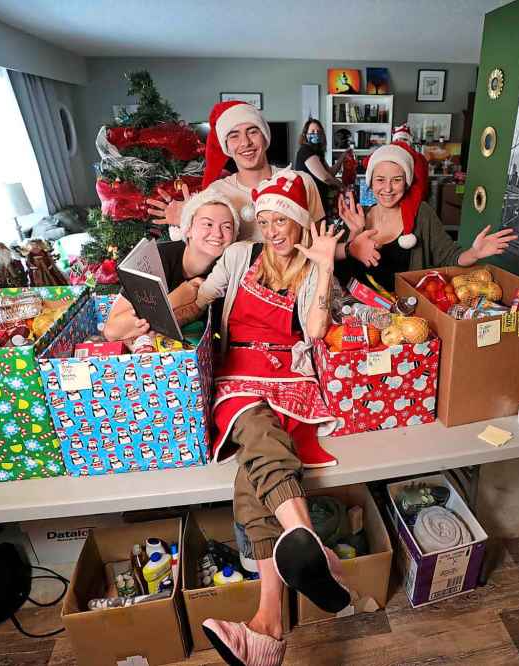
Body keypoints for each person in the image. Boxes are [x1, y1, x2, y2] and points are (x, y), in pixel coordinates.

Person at [184, 171, 348, 666]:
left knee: (252, 474)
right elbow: (202, 296)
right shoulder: (237, 258)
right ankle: (307, 540)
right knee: (256, 425)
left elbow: (316, 329)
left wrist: (322, 267)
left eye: (285, 222)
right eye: (268, 221)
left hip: (289, 377)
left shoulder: (308, 266)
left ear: (300, 226)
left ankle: (268, 627)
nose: (275, 230)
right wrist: (158, 305)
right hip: (238, 375)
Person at [337, 133, 518, 291]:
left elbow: (449, 256)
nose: (388, 188)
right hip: (359, 313)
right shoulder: (358, 217)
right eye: (380, 180)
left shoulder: (421, 214)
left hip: (406, 316)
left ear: (407, 183)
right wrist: (355, 232)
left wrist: (474, 253)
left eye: (397, 180)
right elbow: (343, 276)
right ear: (371, 183)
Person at [146, 101, 325, 242]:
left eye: (252, 131)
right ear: (226, 146)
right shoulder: (214, 193)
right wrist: (188, 222)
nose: (245, 142)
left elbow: (321, 243)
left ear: (265, 137)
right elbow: (200, 261)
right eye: (234, 135)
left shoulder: (300, 181)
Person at [102, 191, 238, 345]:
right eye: (208, 224)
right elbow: (111, 331)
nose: (217, 233)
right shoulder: (157, 258)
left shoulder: (230, 270)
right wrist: (176, 298)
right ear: (188, 229)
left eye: (227, 227)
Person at [293, 118, 344, 211]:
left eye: (318, 132)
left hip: (319, 199)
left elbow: (330, 173)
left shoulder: (317, 152)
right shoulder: (306, 150)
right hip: (310, 201)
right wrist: (342, 186)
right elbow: (326, 178)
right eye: (312, 131)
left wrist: (342, 159)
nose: (316, 134)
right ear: (305, 134)